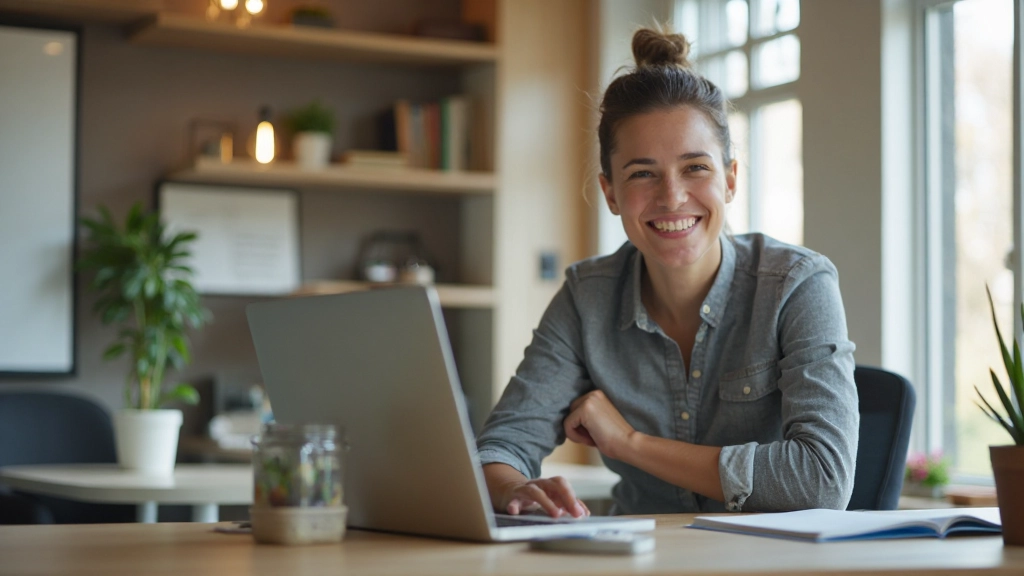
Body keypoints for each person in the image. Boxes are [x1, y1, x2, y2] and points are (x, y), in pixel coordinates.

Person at [475, 27, 859, 517]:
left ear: (731, 179)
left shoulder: (797, 285)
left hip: (766, 565)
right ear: (610, 193)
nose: (672, 196)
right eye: (642, 173)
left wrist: (631, 443)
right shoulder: (585, 298)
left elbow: (822, 481)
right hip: (636, 559)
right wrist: (512, 490)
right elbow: (501, 447)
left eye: (695, 167)